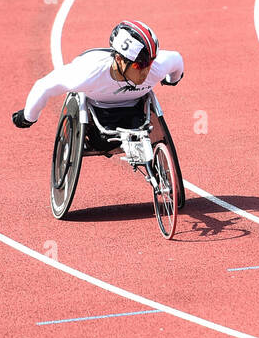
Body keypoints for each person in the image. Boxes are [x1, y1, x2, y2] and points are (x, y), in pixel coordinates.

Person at [12, 20, 186, 207]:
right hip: (97, 121)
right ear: (119, 60)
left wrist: (173, 79)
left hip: (136, 114)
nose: (145, 71)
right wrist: (28, 116)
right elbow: (44, 86)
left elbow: (176, 60)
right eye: (138, 66)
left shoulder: (156, 68)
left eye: (150, 63)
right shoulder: (88, 73)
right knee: (99, 136)